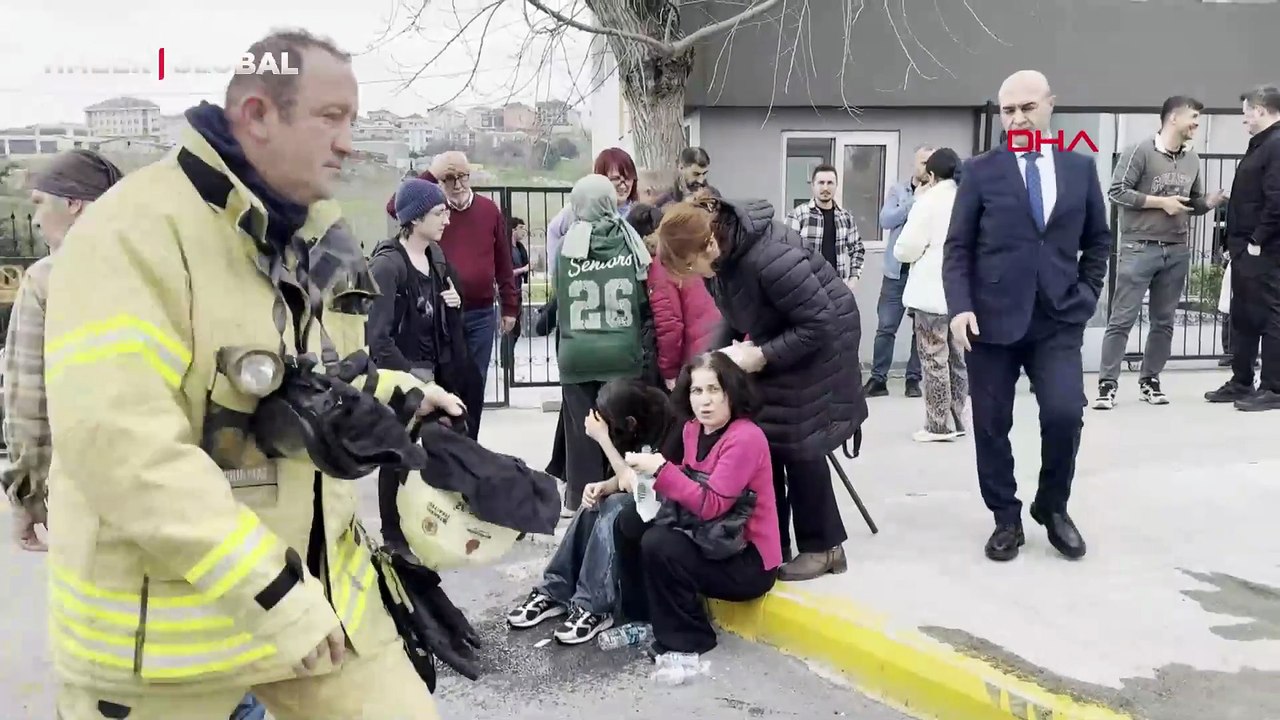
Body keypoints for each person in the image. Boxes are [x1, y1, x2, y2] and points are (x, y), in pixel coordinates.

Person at [42, 30, 464, 719]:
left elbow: (324, 382)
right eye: (330, 118)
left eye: (353, 121)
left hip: (319, 603)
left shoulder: (313, 229)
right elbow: (122, 449)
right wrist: (272, 591)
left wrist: (407, 399)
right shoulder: (131, 233)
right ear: (260, 115)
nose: (349, 142)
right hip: (162, 646)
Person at [942, 70, 1111, 563]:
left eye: (1027, 108)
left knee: (1064, 414)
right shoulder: (979, 171)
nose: (1017, 118)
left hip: (1057, 318)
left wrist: (1086, 294)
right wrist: (960, 308)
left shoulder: (1079, 169)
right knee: (992, 424)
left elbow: (1098, 241)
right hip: (990, 322)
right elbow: (958, 248)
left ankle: (1051, 507)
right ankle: (1005, 518)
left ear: (1049, 106)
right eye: (1008, 110)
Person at [656, 199, 867, 581]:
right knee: (761, 435)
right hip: (784, 334)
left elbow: (820, 323)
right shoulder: (718, 256)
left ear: (708, 244)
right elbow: (735, 314)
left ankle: (825, 548)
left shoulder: (768, 256)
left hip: (826, 341)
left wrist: (763, 356)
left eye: (689, 266)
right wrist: (710, 358)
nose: (689, 276)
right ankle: (772, 541)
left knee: (798, 435)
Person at [613, 351, 780, 684]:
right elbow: (690, 478)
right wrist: (646, 475)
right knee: (630, 521)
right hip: (710, 537)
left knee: (660, 543)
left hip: (746, 559)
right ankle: (641, 616)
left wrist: (661, 470)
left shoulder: (745, 438)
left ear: (732, 391)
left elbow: (711, 503)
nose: (705, 401)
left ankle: (689, 637)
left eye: (714, 390)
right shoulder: (693, 430)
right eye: (696, 391)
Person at [2, 149, 121, 553]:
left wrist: (26, 492)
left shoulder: (48, 279)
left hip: (85, 483)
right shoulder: (172, 268)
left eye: (39, 203)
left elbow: (28, 396)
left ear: (73, 204)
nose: (35, 218)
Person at [507, 378, 674, 645]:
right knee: (595, 504)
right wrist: (602, 486)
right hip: (642, 501)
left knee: (614, 506)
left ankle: (594, 606)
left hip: (667, 513)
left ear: (629, 423)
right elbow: (623, 479)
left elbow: (636, 486)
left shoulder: (667, 428)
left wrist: (603, 440)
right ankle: (555, 589)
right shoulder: (629, 427)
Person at [1095, 95, 1227, 409]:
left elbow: (1190, 204)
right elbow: (1117, 191)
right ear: (1173, 118)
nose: (1197, 123)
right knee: (1122, 319)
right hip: (1138, 247)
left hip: (1177, 249)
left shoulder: (1192, 159)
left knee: (1163, 322)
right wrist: (1160, 202)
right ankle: (1107, 385)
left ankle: (1150, 381)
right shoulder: (1139, 151)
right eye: (1193, 117)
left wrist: (1206, 203)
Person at [386, 151, 519, 412]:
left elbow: (503, 261)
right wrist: (430, 174)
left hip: (481, 313)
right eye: (448, 178)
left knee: (475, 383)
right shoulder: (432, 211)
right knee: (445, 383)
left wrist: (510, 306)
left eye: (462, 177)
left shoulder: (488, 210)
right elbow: (394, 208)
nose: (457, 185)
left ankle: (469, 445)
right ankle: (446, 445)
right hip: (442, 314)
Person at [554, 174, 655, 514]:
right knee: (622, 432)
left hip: (577, 354)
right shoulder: (631, 242)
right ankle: (624, 501)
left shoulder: (568, 246)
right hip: (621, 355)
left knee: (583, 436)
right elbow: (644, 301)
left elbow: (560, 298)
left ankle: (582, 505)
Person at [366, 177, 484, 435]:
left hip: (439, 375)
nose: (447, 220)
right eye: (439, 213)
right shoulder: (387, 267)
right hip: (404, 385)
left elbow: (444, 326)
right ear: (416, 218)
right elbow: (378, 340)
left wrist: (455, 304)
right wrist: (415, 380)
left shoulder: (438, 261)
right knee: (401, 463)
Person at [1204, 84, 1280, 412]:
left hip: (1264, 250)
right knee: (1244, 316)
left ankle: (1274, 388)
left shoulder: (1276, 145)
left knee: (1270, 316)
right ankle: (1241, 380)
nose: (1244, 118)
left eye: (1246, 112)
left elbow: (1276, 200)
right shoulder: (1261, 145)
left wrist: (1256, 241)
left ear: (1261, 110)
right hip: (1245, 249)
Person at [892, 147, 968, 442]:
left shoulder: (928, 201)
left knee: (934, 358)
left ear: (932, 175)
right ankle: (959, 418)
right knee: (957, 359)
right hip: (961, 294)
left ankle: (938, 425)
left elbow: (906, 246)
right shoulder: (967, 198)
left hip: (931, 293)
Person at [627, 202, 721, 390]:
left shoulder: (662, 266)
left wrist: (669, 372)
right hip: (720, 344)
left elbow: (669, 323)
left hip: (697, 357)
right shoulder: (692, 252)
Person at [867, 145, 933, 398]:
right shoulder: (899, 191)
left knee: (921, 329)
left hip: (923, 273)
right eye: (922, 162)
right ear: (914, 164)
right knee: (886, 327)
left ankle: (913, 380)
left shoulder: (940, 193)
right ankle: (878, 379)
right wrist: (914, 201)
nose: (926, 167)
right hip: (896, 273)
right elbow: (886, 220)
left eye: (931, 162)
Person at [547, 147, 638, 280]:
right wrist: (557, 274)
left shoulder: (638, 213)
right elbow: (554, 230)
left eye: (628, 179)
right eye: (616, 179)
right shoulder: (579, 209)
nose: (623, 186)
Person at [784, 163, 866, 293]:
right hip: (807, 289)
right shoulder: (798, 215)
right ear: (813, 186)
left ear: (836, 186)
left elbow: (857, 249)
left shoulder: (845, 218)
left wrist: (853, 279)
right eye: (821, 183)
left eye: (830, 183)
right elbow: (785, 252)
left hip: (837, 288)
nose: (825, 188)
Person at [501, 217, 532, 373]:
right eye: (521, 227)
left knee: (516, 330)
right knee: (509, 329)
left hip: (518, 291)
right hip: (509, 292)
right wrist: (523, 269)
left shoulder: (519, 248)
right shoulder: (506, 249)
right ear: (513, 229)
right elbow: (504, 273)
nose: (523, 231)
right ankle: (505, 366)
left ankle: (509, 363)